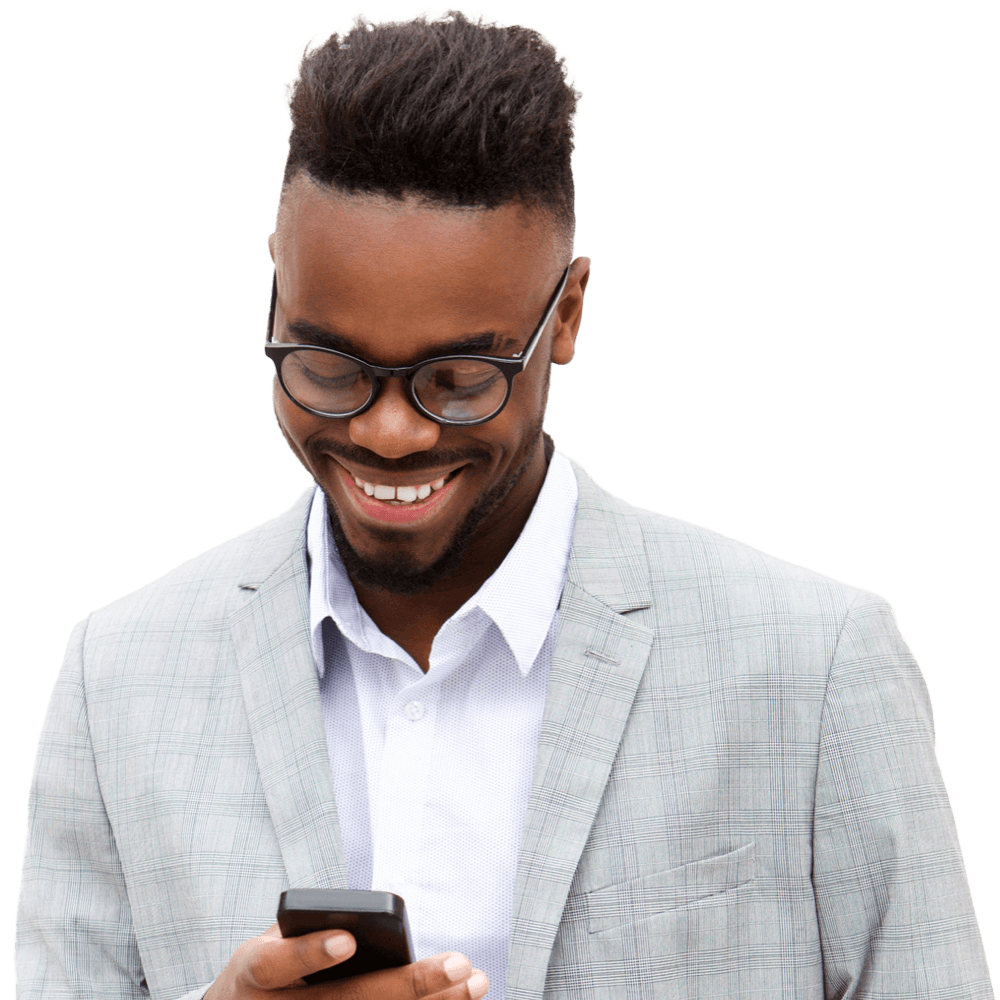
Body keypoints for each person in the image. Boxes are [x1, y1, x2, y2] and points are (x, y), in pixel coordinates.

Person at [16, 10, 991, 1000]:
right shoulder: (118, 680)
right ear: (273, 299)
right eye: (327, 365)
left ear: (565, 315)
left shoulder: (814, 665)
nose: (389, 433)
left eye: (457, 377)